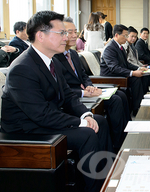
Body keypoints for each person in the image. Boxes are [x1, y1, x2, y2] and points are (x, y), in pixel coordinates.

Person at [0, 10, 113, 192]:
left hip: (45, 120)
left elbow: (68, 97)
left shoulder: (51, 61)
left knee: (98, 121)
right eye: (61, 33)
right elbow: (40, 114)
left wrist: (85, 115)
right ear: (41, 36)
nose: (67, 37)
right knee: (86, 134)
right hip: (27, 130)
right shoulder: (22, 68)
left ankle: (106, 177)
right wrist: (79, 123)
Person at [54, 18, 130, 152]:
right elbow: (62, 89)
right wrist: (84, 92)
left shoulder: (73, 53)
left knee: (121, 95)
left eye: (75, 32)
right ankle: (118, 144)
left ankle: (124, 135)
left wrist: (89, 85)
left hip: (85, 92)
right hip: (77, 96)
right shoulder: (54, 58)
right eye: (68, 32)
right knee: (115, 100)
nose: (73, 35)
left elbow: (83, 75)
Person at [100, 24, 148, 116]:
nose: (126, 38)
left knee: (141, 76)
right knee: (136, 79)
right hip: (111, 77)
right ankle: (136, 109)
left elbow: (126, 64)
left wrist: (138, 68)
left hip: (119, 74)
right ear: (117, 35)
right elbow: (114, 68)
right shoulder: (110, 48)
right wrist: (133, 73)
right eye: (125, 36)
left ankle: (139, 106)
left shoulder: (119, 46)